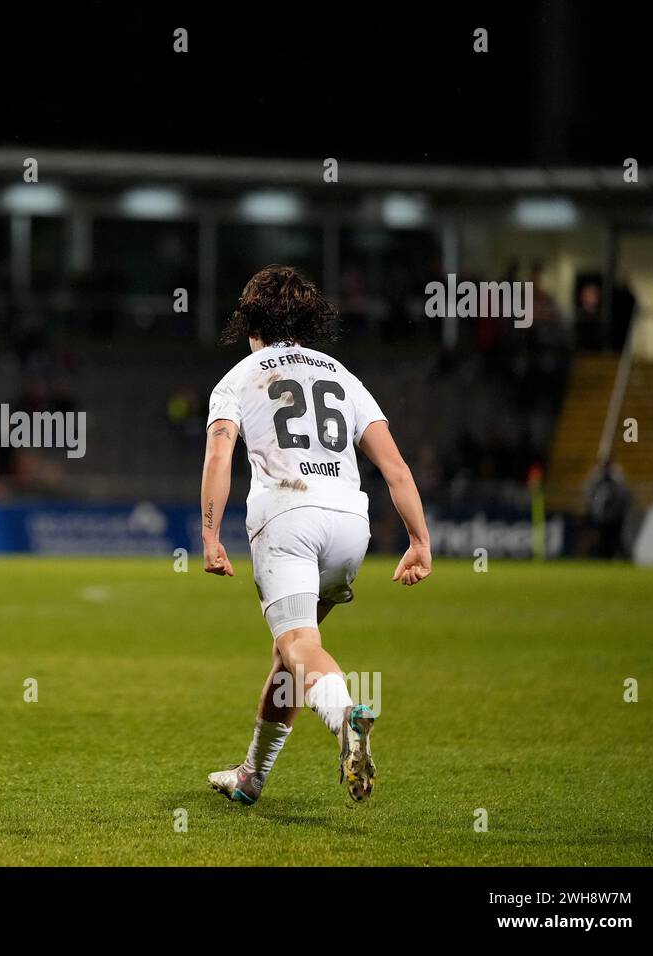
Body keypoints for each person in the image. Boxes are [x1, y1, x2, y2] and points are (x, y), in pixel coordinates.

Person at [199, 265, 432, 806]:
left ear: (250, 322)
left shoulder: (239, 377)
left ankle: (347, 715)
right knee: (291, 657)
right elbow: (396, 469)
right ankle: (251, 775)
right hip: (351, 524)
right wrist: (419, 542)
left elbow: (218, 455)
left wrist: (209, 537)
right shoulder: (343, 375)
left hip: (288, 516)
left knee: (301, 645)